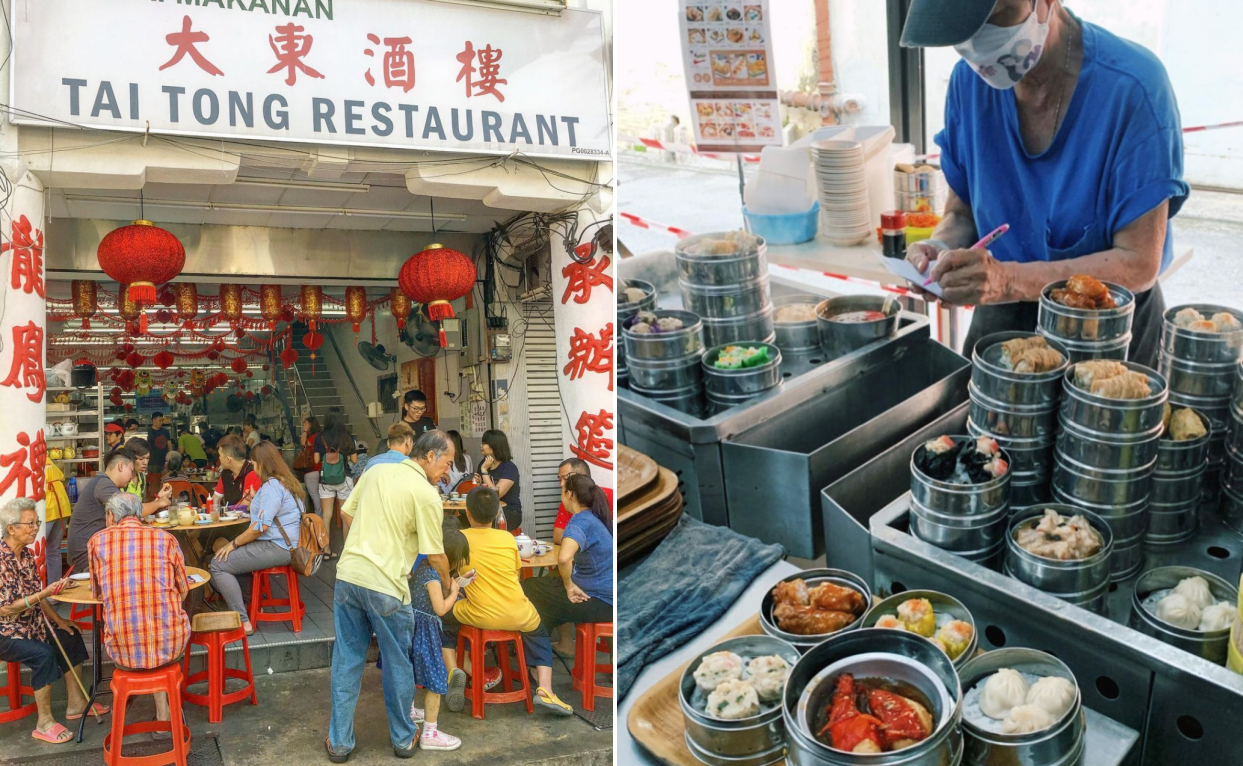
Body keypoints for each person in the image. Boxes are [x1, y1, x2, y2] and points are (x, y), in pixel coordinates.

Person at [899, 0, 1188, 367]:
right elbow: (961, 212)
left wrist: (1007, 280)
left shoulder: (1133, 89)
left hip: (1107, 321)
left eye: (997, 17)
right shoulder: (969, 82)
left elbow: (1138, 262)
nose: (979, 42)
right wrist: (939, 248)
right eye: (966, 30)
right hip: (1003, 309)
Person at [327, 430, 454, 762]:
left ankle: (339, 743)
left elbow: (346, 513)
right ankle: (401, 738)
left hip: (349, 577)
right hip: (387, 587)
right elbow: (436, 554)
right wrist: (449, 582)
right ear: (429, 456)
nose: (448, 472)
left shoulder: (376, 471)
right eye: (447, 463)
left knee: (347, 659)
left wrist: (368, 543)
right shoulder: (427, 495)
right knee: (398, 662)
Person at [442, 487, 573, 716]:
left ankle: (455, 670)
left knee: (444, 616)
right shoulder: (508, 539)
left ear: (468, 514)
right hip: (518, 613)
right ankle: (545, 689)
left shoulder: (460, 539)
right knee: (539, 632)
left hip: (478, 613)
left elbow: (451, 573)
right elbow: (516, 574)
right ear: (496, 516)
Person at [0, 498, 96, 744]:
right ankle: (44, 722)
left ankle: (75, 703)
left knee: (70, 635)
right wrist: (45, 593)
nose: (35, 528)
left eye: (36, 523)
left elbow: (38, 598)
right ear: (11, 528)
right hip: (6, 632)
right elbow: (7, 610)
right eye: (29, 524)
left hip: (30, 625)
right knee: (43, 654)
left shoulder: (27, 554)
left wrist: (59, 621)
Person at [89, 492, 189, 727]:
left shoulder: (97, 541)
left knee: (137, 625)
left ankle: (126, 713)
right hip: (171, 646)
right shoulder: (166, 539)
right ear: (139, 514)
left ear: (111, 516)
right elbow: (183, 590)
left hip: (122, 651)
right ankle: (164, 715)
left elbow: (98, 594)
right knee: (156, 622)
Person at [378, 522, 467, 752]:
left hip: (410, 627)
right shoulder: (432, 577)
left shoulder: (423, 568)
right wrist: (456, 593)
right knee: (435, 682)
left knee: (409, 672)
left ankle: (409, 711)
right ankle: (430, 732)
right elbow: (439, 608)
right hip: (426, 633)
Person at [210, 442, 305, 635]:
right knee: (234, 559)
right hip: (287, 545)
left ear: (261, 464)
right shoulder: (287, 482)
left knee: (218, 564)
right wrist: (256, 500)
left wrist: (233, 543)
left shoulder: (272, 486)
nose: (252, 468)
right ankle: (252, 605)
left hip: (278, 547)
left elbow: (260, 527)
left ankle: (243, 621)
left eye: (253, 463)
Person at [524, 474, 614, 658]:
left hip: (599, 600)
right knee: (543, 599)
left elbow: (564, 558)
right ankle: (540, 659)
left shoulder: (580, 521)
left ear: (570, 494)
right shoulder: (595, 517)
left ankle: (537, 662)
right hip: (607, 596)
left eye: (562, 491)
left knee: (528, 588)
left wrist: (569, 586)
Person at [67, 449, 172, 574]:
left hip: (93, 551)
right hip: (86, 557)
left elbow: (133, 508)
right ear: (121, 466)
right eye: (131, 471)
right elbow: (132, 511)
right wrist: (159, 502)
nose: (131, 476)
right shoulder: (104, 484)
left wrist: (158, 500)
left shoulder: (103, 483)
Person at [315, 413, 355, 555]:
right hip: (344, 478)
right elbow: (355, 460)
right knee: (345, 514)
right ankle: (347, 551)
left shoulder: (320, 437)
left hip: (326, 480)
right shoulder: (347, 436)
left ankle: (326, 550)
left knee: (327, 515)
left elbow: (315, 460)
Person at [552, 458, 614, 545]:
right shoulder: (568, 502)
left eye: (566, 478)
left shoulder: (612, 496)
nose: (562, 484)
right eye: (560, 480)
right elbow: (557, 536)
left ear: (582, 476)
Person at [213, 434, 261, 509]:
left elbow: (245, 505)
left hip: (247, 519)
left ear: (228, 459)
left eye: (220, 455)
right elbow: (215, 499)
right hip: (229, 517)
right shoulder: (225, 473)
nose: (218, 458)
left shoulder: (251, 472)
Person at [42, 461, 72, 584]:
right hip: (61, 506)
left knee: (36, 552)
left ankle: (37, 593)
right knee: (54, 551)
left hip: (48, 508)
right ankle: (54, 592)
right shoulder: (48, 460)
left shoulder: (34, 458)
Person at [300, 416, 322, 515]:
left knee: (314, 494)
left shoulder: (314, 437)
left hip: (312, 469)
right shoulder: (318, 436)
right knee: (315, 493)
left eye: (306, 423)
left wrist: (305, 431)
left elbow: (303, 443)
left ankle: (319, 515)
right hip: (316, 469)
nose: (304, 425)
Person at [438, 430, 473, 495]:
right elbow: (469, 477)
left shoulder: (444, 459)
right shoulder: (468, 458)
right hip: (464, 495)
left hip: (449, 495)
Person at [146, 412, 172, 492]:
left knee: (165, 483)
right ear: (153, 420)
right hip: (152, 462)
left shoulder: (165, 432)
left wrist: (169, 459)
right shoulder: (148, 432)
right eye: (159, 420)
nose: (161, 422)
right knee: (154, 483)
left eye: (162, 420)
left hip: (164, 461)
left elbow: (169, 445)